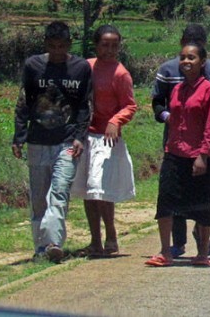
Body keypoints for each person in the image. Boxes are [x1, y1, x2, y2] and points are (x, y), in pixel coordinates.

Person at [12, 21, 92, 263]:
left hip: (67, 141)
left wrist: (79, 136)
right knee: (39, 198)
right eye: (53, 46)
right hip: (38, 141)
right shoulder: (33, 66)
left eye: (62, 46)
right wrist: (19, 137)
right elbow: (23, 102)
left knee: (59, 191)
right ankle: (40, 248)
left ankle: (54, 243)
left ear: (69, 44)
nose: (57, 51)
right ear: (46, 44)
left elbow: (85, 106)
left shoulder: (80, 68)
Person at [152, 24, 210, 259]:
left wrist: (203, 154)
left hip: (198, 154)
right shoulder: (176, 88)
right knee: (167, 202)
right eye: (183, 57)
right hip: (174, 151)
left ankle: (202, 252)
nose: (186, 61)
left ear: (202, 61)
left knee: (200, 204)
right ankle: (167, 251)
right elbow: (164, 109)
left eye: (191, 57)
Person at [71, 25, 137, 257]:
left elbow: (130, 105)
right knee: (88, 191)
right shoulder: (86, 67)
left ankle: (111, 234)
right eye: (105, 45)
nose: (109, 50)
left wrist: (116, 120)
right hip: (85, 137)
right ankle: (95, 241)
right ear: (96, 45)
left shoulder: (121, 74)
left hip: (106, 139)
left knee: (101, 190)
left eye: (114, 46)